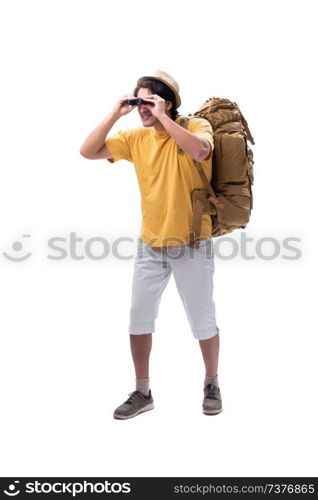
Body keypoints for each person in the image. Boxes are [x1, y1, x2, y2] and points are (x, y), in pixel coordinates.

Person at [80, 70, 222, 419]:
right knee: (138, 318)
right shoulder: (134, 138)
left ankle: (212, 382)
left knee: (202, 320)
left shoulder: (196, 126)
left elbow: (201, 152)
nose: (141, 108)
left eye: (148, 101)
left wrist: (162, 118)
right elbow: (87, 151)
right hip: (150, 244)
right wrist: (116, 113)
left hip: (192, 242)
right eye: (137, 100)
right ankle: (143, 391)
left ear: (167, 103)